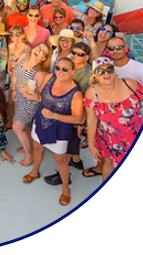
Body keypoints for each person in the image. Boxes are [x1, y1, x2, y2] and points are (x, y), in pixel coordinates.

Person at [82, 38, 143, 178]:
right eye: (100, 71)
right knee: (108, 164)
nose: (106, 74)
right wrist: (91, 144)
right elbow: (91, 121)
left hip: (134, 135)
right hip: (107, 139)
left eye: (109, 69)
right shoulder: (92, 93)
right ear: (95, 75)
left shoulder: (130, 84)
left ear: (114, 70)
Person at [22, 58, 85, 207]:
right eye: (58, 68)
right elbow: (39, 97)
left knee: (61, 160)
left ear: (72, 72)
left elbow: (78, 118)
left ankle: (65, 188)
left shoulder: (76, 94)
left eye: (65, 69)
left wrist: (54, 115)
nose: (60, 71)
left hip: (60, 129)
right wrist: (29, 93)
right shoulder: (50, 78)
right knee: (37, 148)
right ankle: (35, 172)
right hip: (41, 121)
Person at [43, 42, 92, 186]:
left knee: (64, 148)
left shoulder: (88, 75)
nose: (75, 56)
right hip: (68, 112)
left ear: (87, 57)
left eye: (80, 54)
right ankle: (76, 162)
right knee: (73, 142)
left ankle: (63, 176)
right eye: (74, 53)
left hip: (74, 116)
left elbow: (87, 100)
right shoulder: (72, 68)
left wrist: (81, 123)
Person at [12, 43, 51, 166]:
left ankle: (29, 155)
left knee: (17, 127)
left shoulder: (40, 72)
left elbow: (38, 97)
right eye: (38, 48)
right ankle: (28, 145)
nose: (38, 51)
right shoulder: (23, 56)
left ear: (44, 58)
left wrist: (27, 93)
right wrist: (14, 89)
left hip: (30, 102)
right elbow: (15, 75)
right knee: (26, 126)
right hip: (19, 95)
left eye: (42, 52)